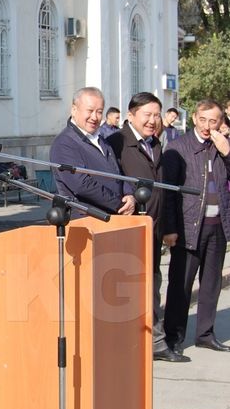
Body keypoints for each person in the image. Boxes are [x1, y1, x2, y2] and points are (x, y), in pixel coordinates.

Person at [106, 93, 188, 363]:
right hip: (127, 229)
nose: (153, 121)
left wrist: (168, 227)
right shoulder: (116, 143)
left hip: (152, 229)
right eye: (147, 115)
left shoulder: (154, 143)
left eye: (156, 115)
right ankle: (135, 342)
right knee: (127, 289)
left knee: (152, 284)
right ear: (131, 115)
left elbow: (163, 189)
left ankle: (153, 341)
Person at [162, 98, 230, 354]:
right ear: (193, 118)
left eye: (213, 121)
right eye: (202, 119)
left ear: (220, 122)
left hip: (217, 224)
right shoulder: (178, 147)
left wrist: (227, 153)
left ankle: (205, 333)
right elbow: (168, 192)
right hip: (188, 225)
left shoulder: (221, 146)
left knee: (211, 283)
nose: (206, 125)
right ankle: (174, 337)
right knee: (181, 284)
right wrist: (170, 228)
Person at [50, 86, 135, 215]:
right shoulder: (64, 143)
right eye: (89, 111)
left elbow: (117, 172)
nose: (94, 117)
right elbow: (82, 185)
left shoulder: (102, 140)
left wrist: (129, 194)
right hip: (87, 219)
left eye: (99, 112)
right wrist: (119, 204)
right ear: (74, 110)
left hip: (112, 217)